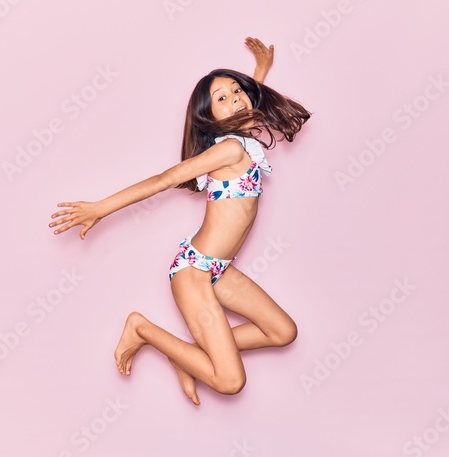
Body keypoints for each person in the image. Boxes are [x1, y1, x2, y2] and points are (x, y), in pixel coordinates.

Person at [49, 37, 311, 405]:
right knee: (230, 381)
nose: (235, 97)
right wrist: (99, 208)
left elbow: (250, 110)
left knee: (283, 331)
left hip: (217, 268)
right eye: (222, 98)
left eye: (237, 90)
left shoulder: (243, 138)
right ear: (209, 117)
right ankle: (142, 329)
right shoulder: (229, 149)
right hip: (194, 273)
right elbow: (163, 180)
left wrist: (260, 72)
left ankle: (189, 356)